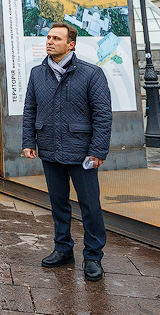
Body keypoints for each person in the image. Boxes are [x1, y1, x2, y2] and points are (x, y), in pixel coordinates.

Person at [21, 22, 111, 283]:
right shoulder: (38, 74)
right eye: (48, 37)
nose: (50, 41)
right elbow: (30, 110)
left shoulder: (91, 74)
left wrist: (98, 150)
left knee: (90, 206)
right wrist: (29, 141)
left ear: (71, 44)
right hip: (49, 150)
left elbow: (103, 116)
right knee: (58, 204)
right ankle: (63, 249)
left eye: (56, 38)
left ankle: (93, 256)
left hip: (82, 152)